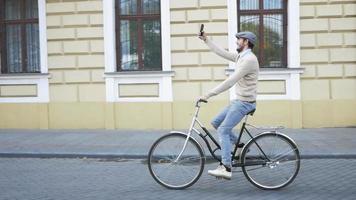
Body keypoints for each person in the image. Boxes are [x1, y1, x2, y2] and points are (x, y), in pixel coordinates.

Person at [198, 31, 260, 180]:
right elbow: (222, 53)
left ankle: (226, 167)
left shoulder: (249, 60)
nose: (236, 41)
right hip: (239, 101)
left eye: (238, 39)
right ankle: (239, 147)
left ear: (246, 42)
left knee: (223, 131)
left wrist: (207, 95)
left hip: (245, 103)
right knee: (216, 122)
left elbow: (230, 81)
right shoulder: (241, 57)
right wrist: (207, 40)